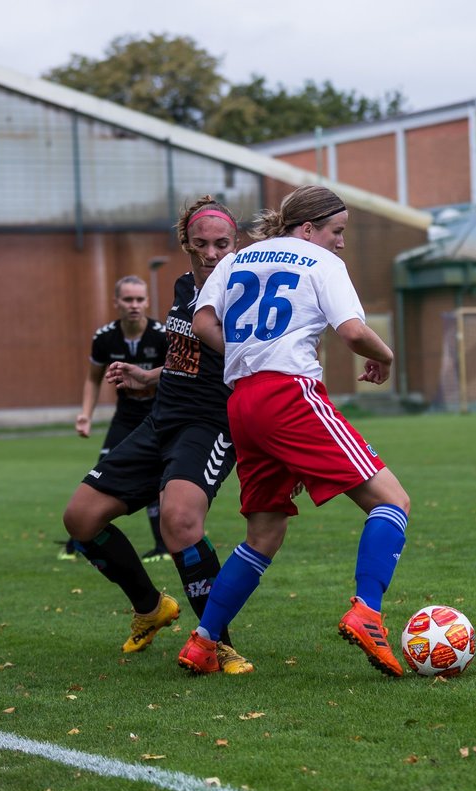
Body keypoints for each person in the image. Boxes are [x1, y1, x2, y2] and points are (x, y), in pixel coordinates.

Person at [181, 185, 411, 678]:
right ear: (308, 229)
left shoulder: (237, 259)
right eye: (338, 231)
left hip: (242, 403)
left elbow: (201, 322)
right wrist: (385, 356)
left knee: (264, 532)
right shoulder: (320, 262)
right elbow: (351, 332)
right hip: (289, 396)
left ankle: (203, 642)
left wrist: (247, 356)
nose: (341, 243)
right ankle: (367, 611)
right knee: (392, 501)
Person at [61, 196, 252, 674]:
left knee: (179, 522)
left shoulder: (248, 291)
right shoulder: (185, 284)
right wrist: (148, 379)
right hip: (161, 418)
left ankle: (217, 642)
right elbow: (187, 361)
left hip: (210, 424)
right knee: (80, 519)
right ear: (185, 242)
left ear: (237, 244)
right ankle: (150, 607)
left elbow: (264, 366)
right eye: (202, 244)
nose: (212, 254)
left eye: (223, 244)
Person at [59, 276, 169, 562]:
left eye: (139, 299)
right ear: (116, 302)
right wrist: (86, 414)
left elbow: (176, 376)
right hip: (126, 414)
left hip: (157, 413)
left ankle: (162, 547)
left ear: (147, 302)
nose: (134, 305)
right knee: (101, 472)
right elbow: (93, 379)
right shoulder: (105, 337)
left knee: (158, 477)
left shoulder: (162, 335)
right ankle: (78, 542)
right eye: (128, 300)